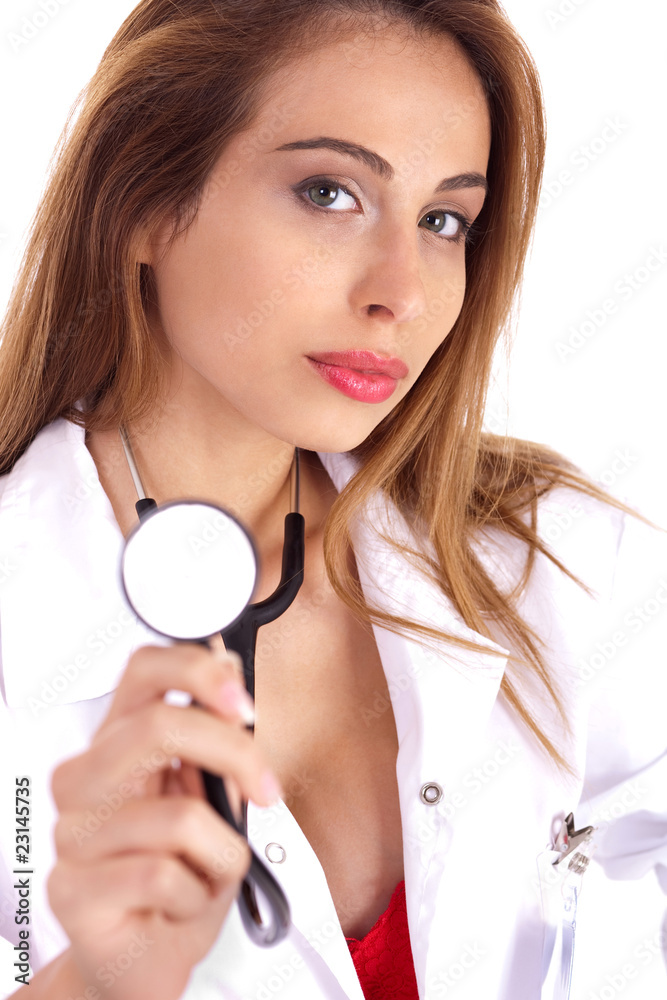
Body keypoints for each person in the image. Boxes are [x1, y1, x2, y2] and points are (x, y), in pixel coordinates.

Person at [0, 1, 665, 998]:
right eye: (329, 191)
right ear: (143, 200)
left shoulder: (559, 563)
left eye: (444, 220)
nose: (400, 290)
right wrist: (95, 981)